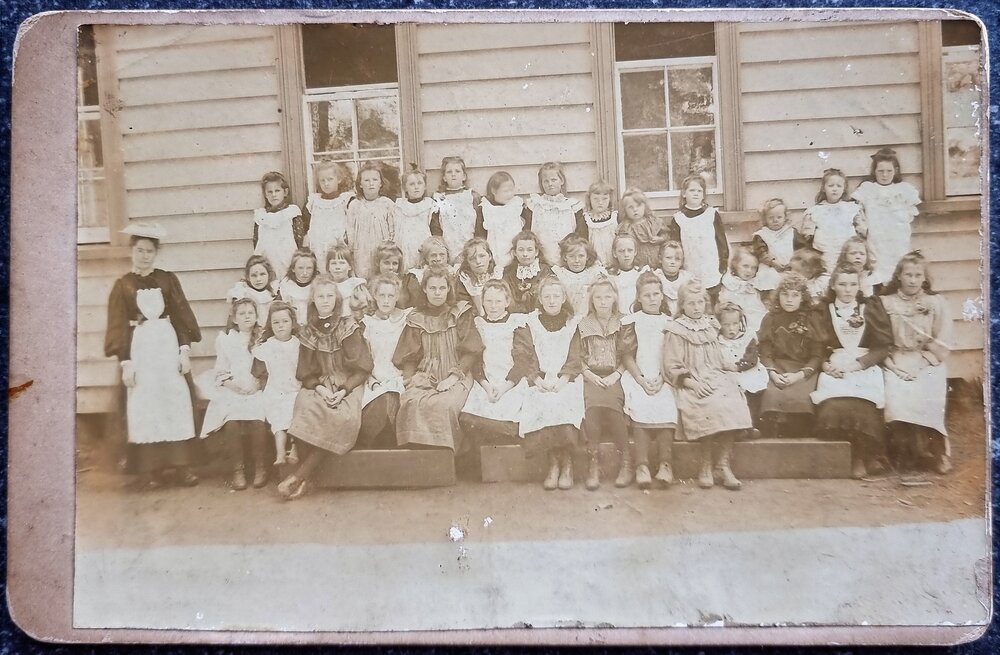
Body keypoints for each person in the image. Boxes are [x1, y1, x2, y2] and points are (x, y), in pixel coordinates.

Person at [104, 223, 201, 489]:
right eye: (140, 250)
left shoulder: (167, 280)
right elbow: (118, 327)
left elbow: (181, 318)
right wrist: (126, 363)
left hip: (167, 347)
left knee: (174, 400)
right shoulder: (123, 285)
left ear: (156, 253)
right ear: (132, 251)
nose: (144, 256)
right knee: (145, 403)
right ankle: (149, 470)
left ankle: (182, 467)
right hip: (141, 351)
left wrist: (184, 351)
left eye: (149, 251)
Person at [278, 275, 373, 500]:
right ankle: (305, 479)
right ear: (313, 300)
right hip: (320, 382)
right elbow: (305, 372)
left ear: (337, 299)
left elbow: (362, 368)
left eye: (330, 296)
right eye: (320, 296)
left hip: (347, 383)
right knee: (306, 406)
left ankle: (300, 477)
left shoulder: (347, 326)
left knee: (343, 417)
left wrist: (342, 391)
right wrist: (320, 389)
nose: (325, 300)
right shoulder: (308, 331)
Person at [663, 282, 755, 490]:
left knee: (732, 396)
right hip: (691, 381)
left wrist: (729, 368)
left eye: (700, 302)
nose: (697, 307)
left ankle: (722, 464)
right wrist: (692, 384)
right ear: (682, 305)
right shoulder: (676, 330)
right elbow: (672, 365)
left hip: (713, 375)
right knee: (708, 403)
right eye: (691, 303)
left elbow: (716, 358)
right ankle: (705, 464)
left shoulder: (710, 325)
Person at [810, 266, 893, 478]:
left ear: (859, 286)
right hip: (835, 365)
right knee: (836, 404)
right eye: (842, 284)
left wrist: (859, 364)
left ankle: (866, 456)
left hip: (864, 364)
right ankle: (852, 457)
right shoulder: (823, 311)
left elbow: (882, 348)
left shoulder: (870, 308)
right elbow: (817, 349)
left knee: (864, 404)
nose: (848, 290)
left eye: (853, 284)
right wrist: (825, 366)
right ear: (833, 285)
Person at [393, 267, 484, 451]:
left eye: (442, 288)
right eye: (432, 288)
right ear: (424, 289)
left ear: (448, 289)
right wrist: (409, 381)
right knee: (410, 402)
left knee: (444, 406)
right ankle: (420, 458)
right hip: (426, 373)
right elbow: (410, 355)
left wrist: (452, 378)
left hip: (457, 372)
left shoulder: (460, 312)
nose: (437, 293)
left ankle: (447, 457)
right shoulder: (416, 317)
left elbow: (471, 352)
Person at [880, 252, 952, 474]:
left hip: (926, 359)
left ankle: (938, 452)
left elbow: (944, 340)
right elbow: (878, 340)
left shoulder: (935, 302)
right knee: (897, 395)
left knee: (929, 393)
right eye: (908, 275)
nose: (912, 280)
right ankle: (906, 453)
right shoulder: (886, 302)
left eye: (917, 275)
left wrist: (920, 364)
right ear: (899, 276)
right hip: (895, 358)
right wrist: (893, 366)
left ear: (924, 278)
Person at [514, 275, 585, 490]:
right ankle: (553, 463)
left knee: (564, 403)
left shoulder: (573, 323)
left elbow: (576, 355)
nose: (552, 301)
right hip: (539, 379)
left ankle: (567, 464)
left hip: (567, 379)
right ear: (540, 299)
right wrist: (536, 379)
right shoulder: (531, 322)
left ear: (563, 298)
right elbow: (525, 354)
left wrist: (564, 378)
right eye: (547, 297)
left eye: (556, 296)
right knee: (543, 404)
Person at [200, 298, 269, 490]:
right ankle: (238, 470)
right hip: (233, 389)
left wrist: (258, 384)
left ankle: (260, 467)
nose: (247, 317)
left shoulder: (262, 339)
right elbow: (221, 368)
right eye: (242, 314)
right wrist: (231, 385)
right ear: (235, 318)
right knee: (231, 422)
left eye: (250, 313)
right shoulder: (226, 340)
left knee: (257, 420)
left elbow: (269, 367)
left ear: (256, 316)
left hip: (256, 389)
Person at [620, 271, 678, 489]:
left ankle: (665, 464)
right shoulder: (632, 321)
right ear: (639, 297)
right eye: (647, 295)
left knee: (666, 403)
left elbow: (672, 355)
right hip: (638, 375)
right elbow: (627, 356)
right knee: (641, 404)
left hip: (664, 376)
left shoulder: (670, 323)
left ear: (662, 296)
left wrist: (663, 377)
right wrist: (641, 379)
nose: (652, 299)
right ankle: (642, 465)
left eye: (656, 294)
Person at [459, 280, 529, 447]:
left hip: (512, 381)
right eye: (489, 301)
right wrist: (486, 386)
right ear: (482, 301)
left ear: (507, 302)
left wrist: (504, 387)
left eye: (498, 301)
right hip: (485, 381)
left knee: (509, 419)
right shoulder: (478, 324)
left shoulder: (517, 322)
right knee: (471, 418)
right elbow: (475, 359)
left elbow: (523, 360)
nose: (493, 306)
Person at [757, 272, 825, 440]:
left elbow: (817, 355)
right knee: (772, 396)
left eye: (795, 295)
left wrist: (799, 375)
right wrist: (773, 373)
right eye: (785, 294)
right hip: (777, 368)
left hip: (803, 371)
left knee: (800, 400)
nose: (789, 299)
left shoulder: (812, 318)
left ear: (803, 298)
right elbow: (765, 351)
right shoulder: (771, 318)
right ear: (778, 295)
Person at [577, 278, 629, 490]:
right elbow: (578, 356)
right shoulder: (583, 324)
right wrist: (588, 374)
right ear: (592, 300)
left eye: (608, 297)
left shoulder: (623, 322)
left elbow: (628, 355)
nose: (603, 301)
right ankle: (594, 463)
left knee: (614, 408)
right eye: (598, 297)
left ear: (615, 298)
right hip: (591, 376)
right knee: (593, 408)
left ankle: (626, 462)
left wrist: (616, 374)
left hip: (616, 375)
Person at [851, 147, 921, 286]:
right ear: (874, 171)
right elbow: (856, 211)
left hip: (898, 239)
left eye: (889, 171)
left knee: (898, 268)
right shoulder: (868, 189)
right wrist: (864, 228)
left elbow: (910, 214)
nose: (885, 175)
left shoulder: (904, 189)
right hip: (876, 237)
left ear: (896, 171)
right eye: (880, 171)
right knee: (878, 269)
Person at [356, 274, 411, 450]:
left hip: (399, 378)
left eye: (390, 296)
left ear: (397, 297)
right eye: (382, 295)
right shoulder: (367, 323)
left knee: (395, 405)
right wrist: (371, 380)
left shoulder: (406, 319)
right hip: (374, 380)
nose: (386, 301)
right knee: (376, 409)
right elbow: (364, 358)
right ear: (375, 296)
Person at [251, 302, 302, 467]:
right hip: (275, 390)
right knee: (278, 417)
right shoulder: (268, 346)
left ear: (293, 323)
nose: (280, 326)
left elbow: (305, 368)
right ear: (270, 325)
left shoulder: (298, 344)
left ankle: (294, 449)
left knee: (297, 412)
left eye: (285, 321)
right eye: (276, 322)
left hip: (295, 389)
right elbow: (258, 371)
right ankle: (280, 452)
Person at [800, 168, 867, 274]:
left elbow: (863, 231)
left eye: (839, 186)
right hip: (825, 252)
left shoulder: (852, 209)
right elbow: (806, 237)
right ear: (824, 188)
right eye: (831, 186)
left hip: (846, 251)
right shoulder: (815, 211)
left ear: (844, 189)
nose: (835, 189)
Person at [672, 174, 728, 293]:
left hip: (711, 267)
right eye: (692, 190)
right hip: (690, 267)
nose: (696, 193)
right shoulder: (679, 219)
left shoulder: (711, 214)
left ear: (703, 195)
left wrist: (723, 263)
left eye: (699, 191)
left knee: (712, 295)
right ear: (684, 193)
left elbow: (721, 241)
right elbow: (676, 247)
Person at [715, 301, 768, 428]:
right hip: (728, 374)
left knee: (751, 393)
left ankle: (752, 424)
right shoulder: (718, 341)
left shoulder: (747, 338)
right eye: (726, 324)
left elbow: (751, 359)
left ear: (740, 322)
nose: (731, 328)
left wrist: (737, 367)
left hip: (747, 371)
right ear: (720, 324)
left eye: (735, 324)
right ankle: (735, 425)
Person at [524, 161, 586, 266]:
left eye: (553, 180)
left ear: (561, 180)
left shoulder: (572, 206)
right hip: (541, 262)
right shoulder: (534, 206)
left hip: (568, 262)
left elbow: (580, 236)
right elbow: (527, 234)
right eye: (546, 181)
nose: (550, 184)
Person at [346, 161, 398, 278]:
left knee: (381, 279)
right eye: (366, 180)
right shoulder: (355, 205)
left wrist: (389, 251)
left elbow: (393, 230)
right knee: (363, 277)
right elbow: (350, 231)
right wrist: (351, 253)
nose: (371, 184)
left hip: (382, 250)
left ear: (380, 183)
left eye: (375, 180)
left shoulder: (387, 204)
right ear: (360, 184)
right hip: (361, 251)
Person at [253, 171, 304, 281]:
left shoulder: (292, 212)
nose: (273, 195)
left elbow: (299, 240)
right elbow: (256, 241)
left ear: (285, 192)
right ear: (265, 194)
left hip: (288, 261)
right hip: (267, 263)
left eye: (277, 191)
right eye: (269, 192)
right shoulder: (261, 216)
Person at [432, 156, 483, 263]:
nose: (453, 174)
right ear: (444, 177)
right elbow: (435, 228)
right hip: (447, 247)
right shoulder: (438, 198)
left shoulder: (472, 197)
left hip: (470, 247)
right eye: (449, 172)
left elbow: (479, 227)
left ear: (464, 176)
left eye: (457, 171)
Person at [751, 197, 809, 291]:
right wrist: (772, 262)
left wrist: (794, 263)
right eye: (771, 218)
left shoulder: (791, 232)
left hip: (790, 267)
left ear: (785, 217)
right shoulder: (762, 235)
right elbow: (761, 253)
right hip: (770, 267)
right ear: (765, 219)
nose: (775, 220)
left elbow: (801, 250)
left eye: (779, 217)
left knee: (794, 282)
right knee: (769, 278)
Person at [303, 160, 354, 264]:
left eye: (330, 179)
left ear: (339, 179)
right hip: (318, 248)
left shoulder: (345, 201)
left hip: (338, 250)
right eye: (322, 180)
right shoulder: (313, 202)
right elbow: (306, 226)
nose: (326, 183)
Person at [480, 171, 528, 270]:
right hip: (495, 253)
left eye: (511, 190)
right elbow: (481, 235)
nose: (510, 194)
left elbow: (526, 231)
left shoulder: (517, 206)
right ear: (494, 191)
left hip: (515, 254)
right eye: (505, 191)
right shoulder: (487, 209)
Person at [617, 187, 673, 269]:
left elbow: (666, 235)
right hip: (636, 265)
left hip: (657, 263)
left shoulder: (653, 222)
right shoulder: (625, 227)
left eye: (638, 206)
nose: (635, 210)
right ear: (625, 210)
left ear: (645, 206)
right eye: (630, 207)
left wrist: (660, 239)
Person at [551, 234, 605, 318]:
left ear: (587, 257)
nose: (576, 260)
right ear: (565, 257)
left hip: (589, 317)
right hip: (567, 316)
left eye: (581, 256)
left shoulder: (593, 274)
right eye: (572, 256)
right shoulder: (560, 275)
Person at [395, 165, 437, 271]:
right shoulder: (399, 206)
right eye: (412, 184)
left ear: (425, 186)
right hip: (405, 247)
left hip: (423, 245)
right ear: (405, 187)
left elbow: (434, 230)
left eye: (419, 183)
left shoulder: (430, 205)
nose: (416, 187)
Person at [718, 247, 767, 335]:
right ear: (735, 264)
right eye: (745, 266)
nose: (749, 271)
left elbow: (757, 307)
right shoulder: (730, 283)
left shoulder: (753, 284)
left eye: (753, 268)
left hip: (755, 316)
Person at [502, 230, 552, 314]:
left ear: (536, 252)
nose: (525, 254)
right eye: (521, 250)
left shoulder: (545, 271)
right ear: (515, 252)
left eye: (529, 250)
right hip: (515, 315)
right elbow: (506, 298)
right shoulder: (508, 273)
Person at [399, 236, 455, 310]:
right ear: (426, 257)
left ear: (447, 256)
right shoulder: (416, 277)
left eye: (442, 255)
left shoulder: (454, 274)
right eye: (433, 255)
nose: (438, 259)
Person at [455, 237, 504, 316]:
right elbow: (462, 305)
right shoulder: (465, 280)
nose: (478, 261)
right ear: (467, 261)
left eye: (482, 256)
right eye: (472, 259)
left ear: (490, 256)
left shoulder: (498, 274)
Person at [225, 254, 277, 328]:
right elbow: (232, 320)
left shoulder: (274, 292)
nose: (258, 279)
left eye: (262, 274)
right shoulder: (242, 293)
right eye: (254, 275)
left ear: (269, 275)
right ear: (248, 277)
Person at [278, 248, 318, 326]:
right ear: (293, 268)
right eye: (300, 268)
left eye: (309, 268)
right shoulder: (287, 285)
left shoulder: (318, 284)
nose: (305, 272)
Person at [607, 234, 646, 316]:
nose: (626, 254)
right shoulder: (610, 276)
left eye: (630, 250)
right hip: (617, 316)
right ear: (614, 253)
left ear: (635, 252)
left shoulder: (641, 273)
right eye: (621, 251)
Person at [325, 243, 366, 318]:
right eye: (334, 263)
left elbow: (365, 307)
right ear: (328, 268)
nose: (337, 267)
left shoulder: (355, 284)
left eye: (342, 263)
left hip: (353, 321)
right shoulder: (327, 286)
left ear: (350, 266)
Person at [583, 180, 618, 266]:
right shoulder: (586, 219)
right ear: (589, 199)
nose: (600, 202)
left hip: (614, 260)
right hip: (594, 262)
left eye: (605, 199)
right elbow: (583, 243)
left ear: (610, 199)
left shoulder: (615, 217)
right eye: (596, 199)